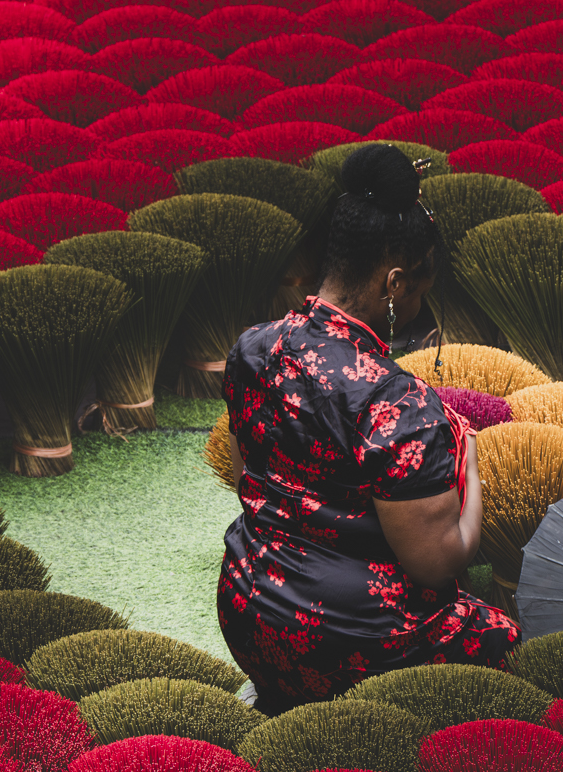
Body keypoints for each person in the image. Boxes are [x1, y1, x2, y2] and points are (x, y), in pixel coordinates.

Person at [217, 142, 521, 715]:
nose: (417, 311)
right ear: (394, 283)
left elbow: (246, 482)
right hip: (355, 646)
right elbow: (442, 561)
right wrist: (471, 462)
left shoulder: (253, 347)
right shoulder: (398, 405)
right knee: (502, 637)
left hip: (249, 609)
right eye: (420, 296)